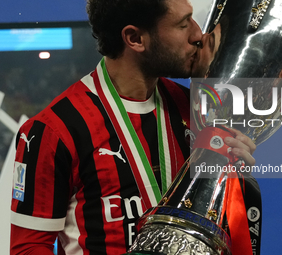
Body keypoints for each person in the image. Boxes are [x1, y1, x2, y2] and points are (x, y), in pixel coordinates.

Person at [10, 0, 256, 254]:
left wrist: (233, 181)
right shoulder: (53, 130)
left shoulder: (195, 111)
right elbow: (28, 247)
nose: (197, 34)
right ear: (135, 38)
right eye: (183, 24)